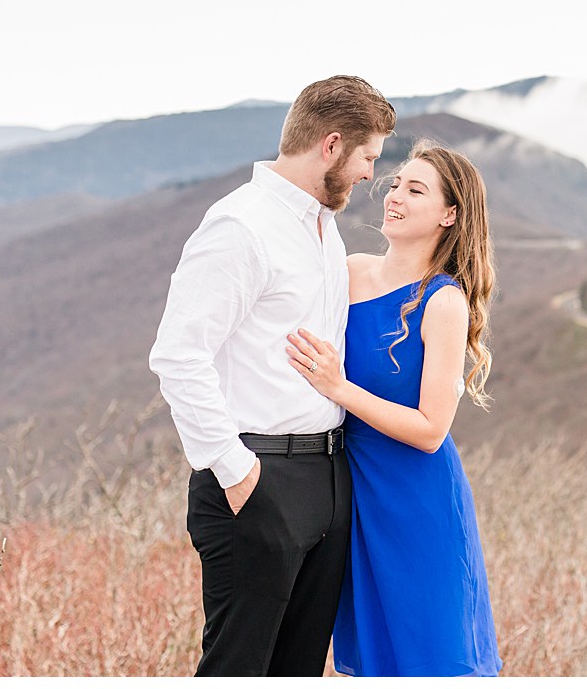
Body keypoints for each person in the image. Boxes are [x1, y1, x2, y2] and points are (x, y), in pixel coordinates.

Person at [149, 75, 396, 677]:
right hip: (257, 480)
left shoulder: (322, 226)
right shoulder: (241, 226)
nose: (369, 175)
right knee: (239, 668)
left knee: (299, 669)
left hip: (328, 477)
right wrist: (236, 474)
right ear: (332, 146)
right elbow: (179, 355)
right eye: (368, 157)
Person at [285, 138, 502, 677]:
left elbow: (431, 429)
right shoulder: (350, 270)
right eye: (397, 183)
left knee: (430, 656)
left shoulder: (443, 301)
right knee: (372, 658)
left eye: (416, 189)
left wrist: (340, 388)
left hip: (417, 501)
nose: (394, 196)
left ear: (450, 215)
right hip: (353, 497)